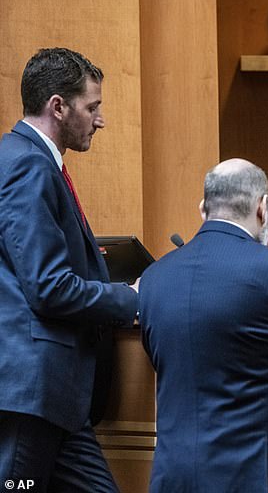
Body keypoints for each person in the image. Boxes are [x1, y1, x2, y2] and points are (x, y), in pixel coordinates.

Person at [139, 158, 268, 492]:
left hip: (174, 475)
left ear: (203, 208)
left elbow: (158, 357)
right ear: (262, 207)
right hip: (259, 476)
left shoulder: (154, 278)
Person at [0, 48, 139, 491]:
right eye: (92, 107)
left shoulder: (28, 160)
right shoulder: (27, 165)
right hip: (31, 393)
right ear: (58, 107)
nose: (100, 120)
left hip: (55, 399)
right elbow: (48, 287)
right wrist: (129, 297)